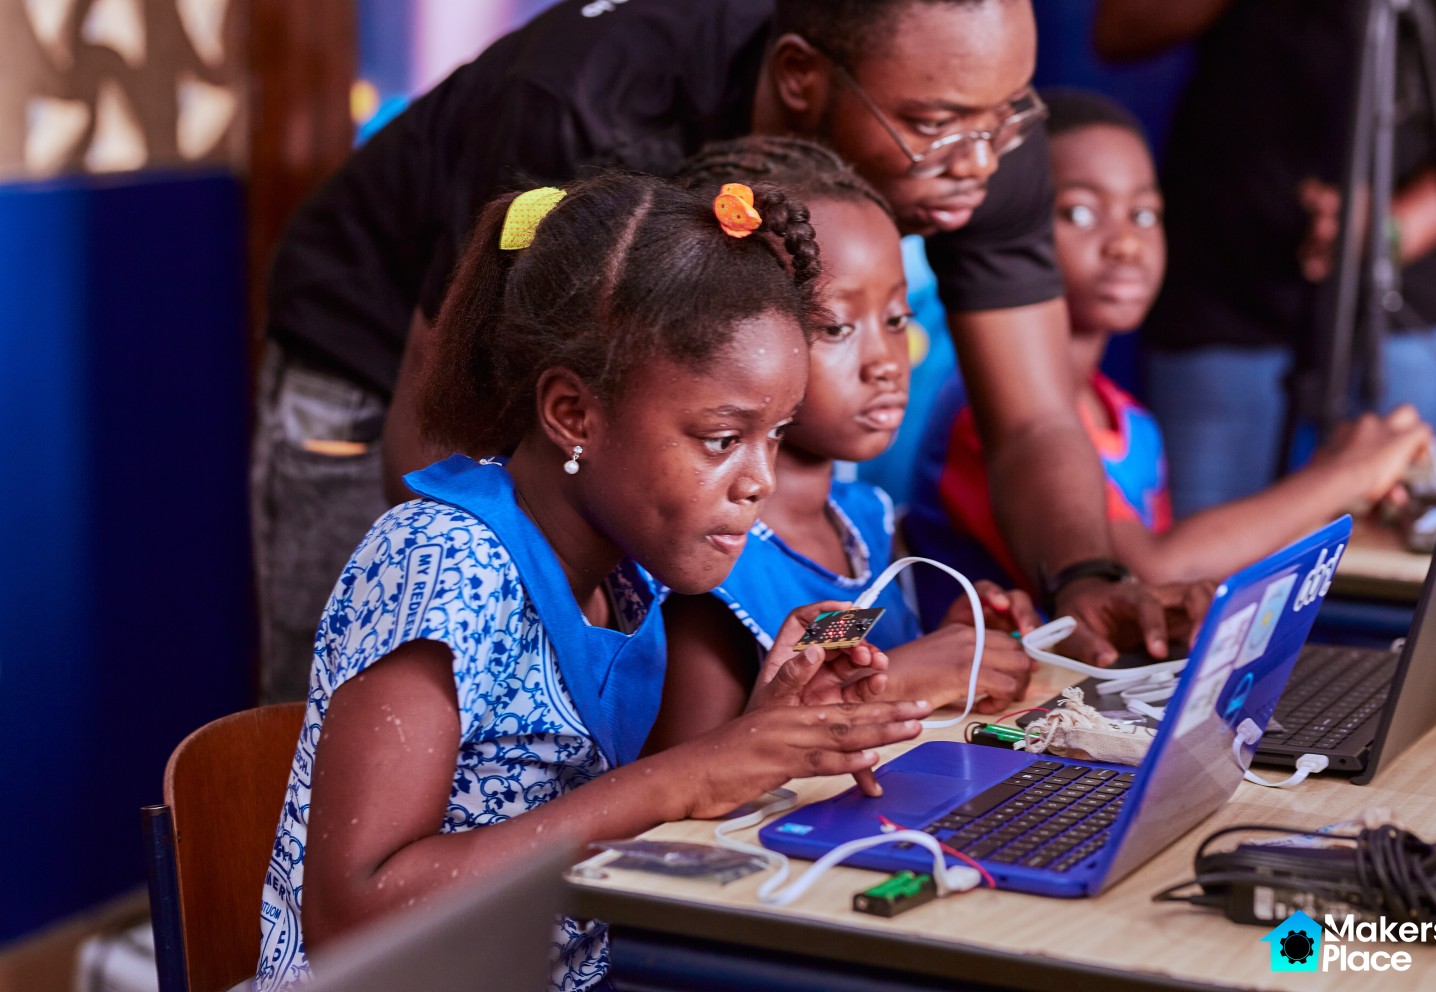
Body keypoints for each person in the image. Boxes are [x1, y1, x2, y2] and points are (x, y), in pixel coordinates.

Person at [253, 0, 1207, 703]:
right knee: (385, 681)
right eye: (932, 127)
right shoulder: (590, 106)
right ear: (799, 77)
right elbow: (441, 441)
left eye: (1006, 116)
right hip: (388, 365)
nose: (982, 164)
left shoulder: (971, 120)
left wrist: (1088, 580)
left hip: (621, 466)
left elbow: (1035, 414)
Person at [254, 173, 935, 992]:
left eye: (776, 435)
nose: (758, 481)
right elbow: (352, 919)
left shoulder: (630, 572)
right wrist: (688, 775)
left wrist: (766, 720)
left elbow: (620, 814)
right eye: (722, 438)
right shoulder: (438, 564)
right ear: (574, 415)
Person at [906, 90, 1434, 624]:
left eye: (1143, 214)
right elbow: (1150, 571)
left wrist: (1345, 496)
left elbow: (1169, 591)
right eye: (1080, 212)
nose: (1126, 244)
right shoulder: (989, 413)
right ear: (1012, 224)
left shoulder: (1132, 421)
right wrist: (1345, 473)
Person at [646, 137, 1039, 749]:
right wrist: (909, 677)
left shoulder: (861, 521)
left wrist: (952, 641)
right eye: (836, 327)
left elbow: (838, 646)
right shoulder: (716, 557)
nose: (885, 362)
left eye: (896, 319)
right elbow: (688, 783)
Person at [1093, 0, 1436, 517]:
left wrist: (1402, 225)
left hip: (1416, 300)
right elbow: (1119, 30)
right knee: (1202, 574)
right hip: (1226, 282)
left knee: (1385, 555)